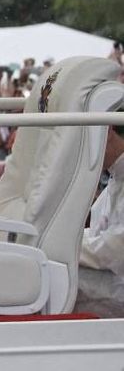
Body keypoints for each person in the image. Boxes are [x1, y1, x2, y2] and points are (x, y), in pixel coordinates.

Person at [76, 121, 124, 317]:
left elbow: (116, 250)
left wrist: (60, 246)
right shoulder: (116, 174)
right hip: (115, 278)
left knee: (54, 278)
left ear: (108, 131)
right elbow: (97, 234)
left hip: (119, 284)